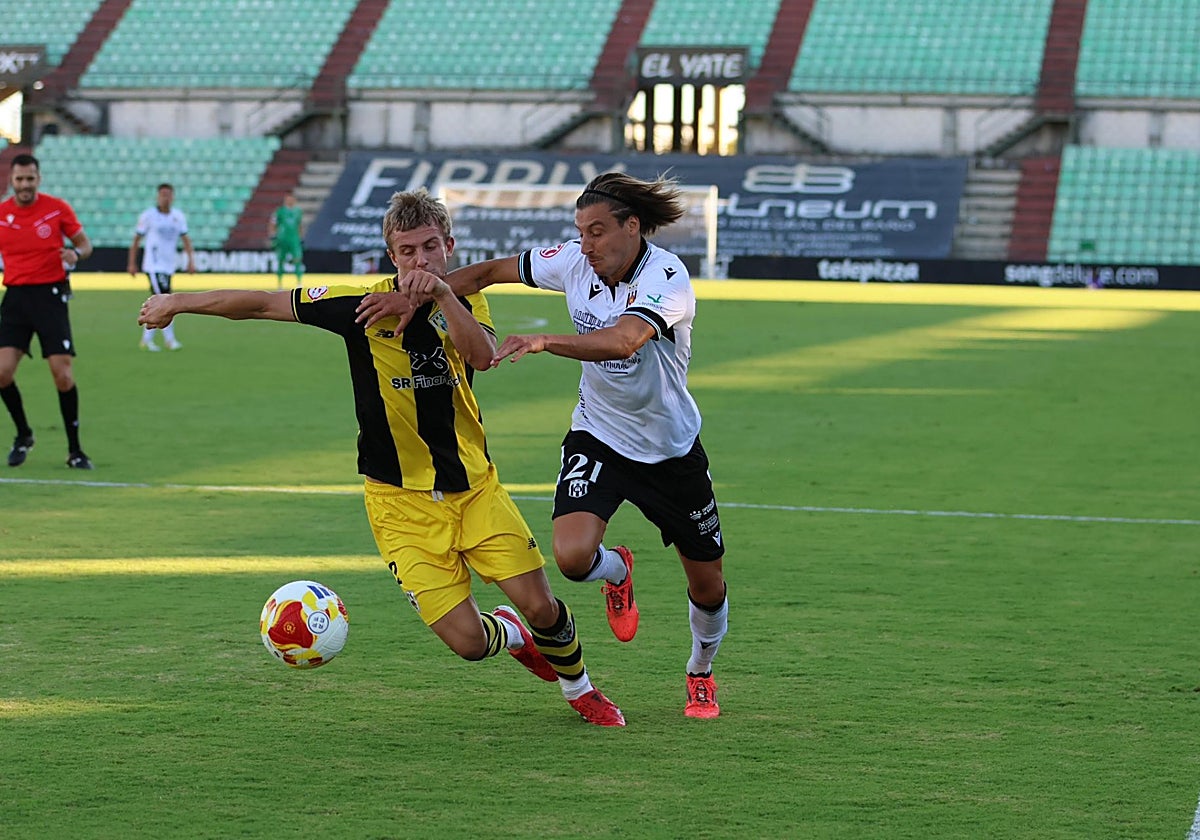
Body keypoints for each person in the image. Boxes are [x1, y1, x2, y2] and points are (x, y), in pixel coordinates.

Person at [139, 188, 625, 727]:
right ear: (391, 257)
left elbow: (483, 357)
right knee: (467, 643)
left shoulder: (464, 300)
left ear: (449, 246)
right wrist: (177, 302)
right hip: (399, 506)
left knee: (544, 606)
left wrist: (440, 295)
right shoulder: (357, 305)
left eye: (431, 247)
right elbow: (259, 302)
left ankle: (579, 688)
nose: (420, 260)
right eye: (408, 251)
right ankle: (508, 633)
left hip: (474, 489)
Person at [357, 172, 729, 719]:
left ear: (632, 226)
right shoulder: (573, 261)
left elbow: (624, 340)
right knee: (573, 558)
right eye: (581, 232)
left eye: (598, 232)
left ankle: (700, 669)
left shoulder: (667, 277)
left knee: (708, 583)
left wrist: (545, 340)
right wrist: (416, 295)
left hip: (670, 449)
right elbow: (487, 271)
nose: (586, 245)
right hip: (598, 434)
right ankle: (616, 571)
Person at [0, 153, 94, 470]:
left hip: (49, 297)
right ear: (12, 181)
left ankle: (75, 450)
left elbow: (85, 246)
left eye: (30, 178)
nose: (24, 185)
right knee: (1, 373)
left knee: (62, 376)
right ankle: (24, 434)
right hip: (14, 299)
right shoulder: (2, 214)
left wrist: (74, 253)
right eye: (19, 179)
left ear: (38, 179)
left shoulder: (57, 208)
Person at [128, 183, 195, 351]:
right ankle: (168, 340)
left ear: (173, 197)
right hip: (153, 265)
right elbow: (137, 240)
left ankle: (147, 339)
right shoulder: (148, 216)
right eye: (162, 194)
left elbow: (185, 239)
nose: (166, 197)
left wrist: (190, 260)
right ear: (158, 196)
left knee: (163, 301)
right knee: (165, 301)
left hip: (168, 266)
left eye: (168, 194)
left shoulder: (178, 216)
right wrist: (132, 262)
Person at [268, 191, 304, 289]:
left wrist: (301, 237)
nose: (290, 201)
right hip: (282, 239)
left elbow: (299, 225)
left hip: (294, 239)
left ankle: (299, 283)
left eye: (292, 199)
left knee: (297, 260)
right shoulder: (279, 211)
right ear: (285, 200)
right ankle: (280, 283)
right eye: (288, 199)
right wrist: (273, 235)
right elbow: (272, 224)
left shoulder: (298, 211)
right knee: (281, 260)